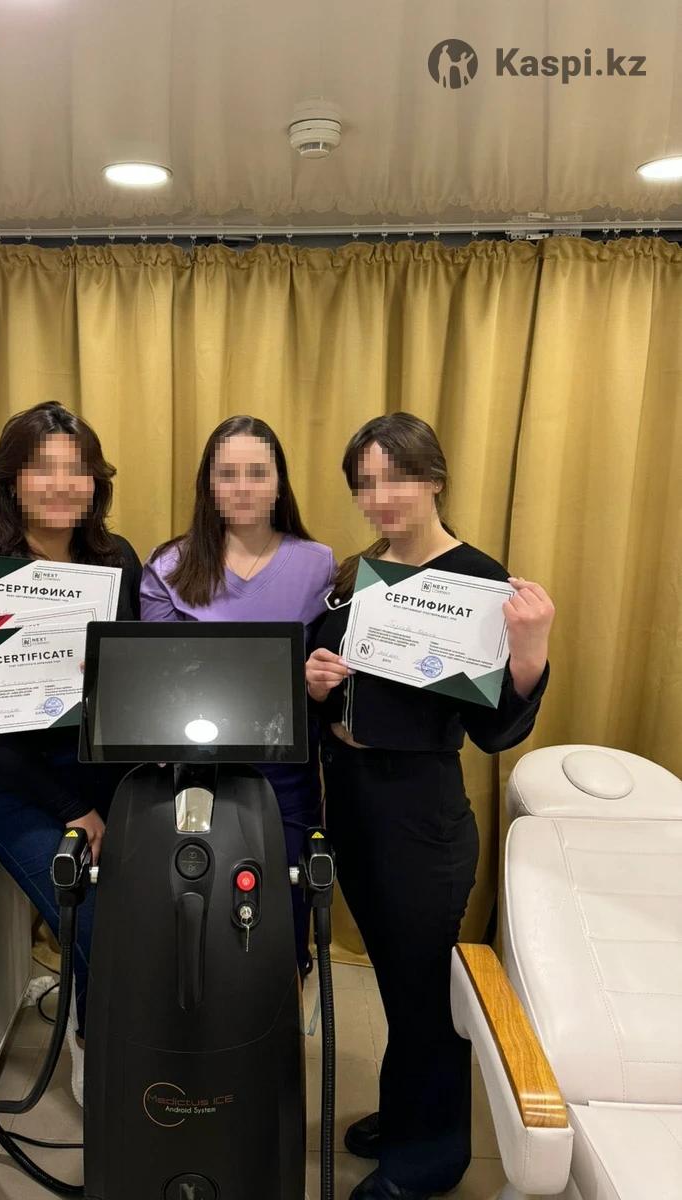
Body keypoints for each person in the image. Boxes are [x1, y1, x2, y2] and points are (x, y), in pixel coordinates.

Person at [307, 412, 555, 1200]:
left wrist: (530, 651)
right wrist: (316, 681)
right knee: (397, 980)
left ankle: (431, 1160)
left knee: (426, 992)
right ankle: (406, 1114)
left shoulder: (479, 582)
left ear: (435, 479)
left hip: (420, 815)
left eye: (397, 478)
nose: (380, 497)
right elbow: (329, 682)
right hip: (353, 807)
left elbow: (494, 731)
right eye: (365, 483)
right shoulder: (356, 575)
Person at [0, 401, 141, 1105]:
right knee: (90, 918)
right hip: (20, 785)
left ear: (95, 481)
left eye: (76, 469)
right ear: (12, 481)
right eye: (41, 469)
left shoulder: (117, 562)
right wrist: (74, 810)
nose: (60, 485)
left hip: (107, 779)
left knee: (141, 911)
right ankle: (93, 1050)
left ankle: (115, 1021)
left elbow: (133, 684)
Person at [140, 414, 335, 973]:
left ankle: (285, 1008)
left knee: (285, 917)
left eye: (257, 472)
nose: (243, 487)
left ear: (279, 482)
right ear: (208, 484)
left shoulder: (318, 563)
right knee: (199, 917)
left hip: (285, 774)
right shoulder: (170, 566)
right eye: (227, 474)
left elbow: (322, 679)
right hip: (193, 772)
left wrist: (317, 680)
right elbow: (160, 682)